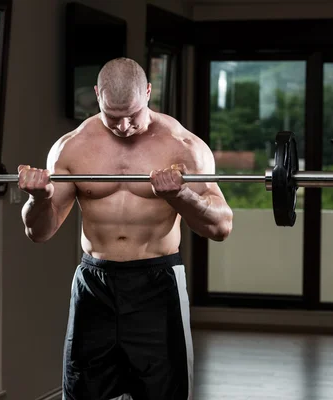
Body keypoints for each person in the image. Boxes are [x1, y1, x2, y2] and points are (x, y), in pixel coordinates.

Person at [18, 57, 233, 400]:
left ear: (148, 92)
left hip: (157, 283)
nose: (123, 126)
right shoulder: (71, 147)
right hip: (94, 284)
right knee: (81, 393)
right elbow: (39, 232)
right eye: (113, 116)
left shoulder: (183, 147)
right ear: (97, 96)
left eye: (132, 114)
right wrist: (40, 199)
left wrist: (181, 195)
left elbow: (221, 226)